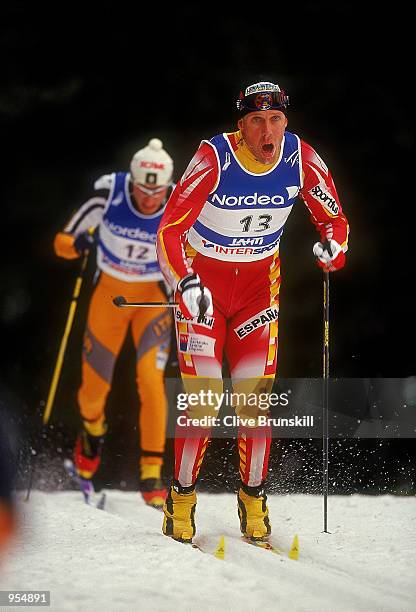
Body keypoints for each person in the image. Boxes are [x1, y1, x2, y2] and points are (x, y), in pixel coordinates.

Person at [156, 80, 349, 542]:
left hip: (258, 294)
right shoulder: (214, 157)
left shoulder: (300, 157)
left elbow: (334, 219)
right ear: (240, 126)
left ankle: (254, 497)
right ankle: (180, 499)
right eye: (257, 121)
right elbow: (168, 230)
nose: (269, 131)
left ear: (286, 121)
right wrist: (184, 281)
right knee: (203, 401)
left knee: (254, 402)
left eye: (277, 120)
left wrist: (333, 248)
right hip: (204, 289)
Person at [54, 138, 174, 508]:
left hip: (151, 301)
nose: (150, 199)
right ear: (132, 182)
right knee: (93, 391)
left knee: (151, 382)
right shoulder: (108, 195)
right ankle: (92, 432)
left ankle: (151, 474)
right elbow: (61, 242)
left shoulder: (179, 201)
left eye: (157, 192)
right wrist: (79, 245)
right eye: (142, 190)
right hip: (109, 296)